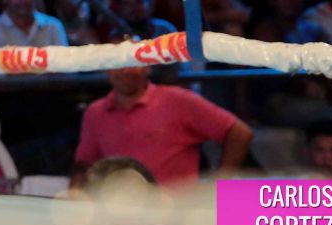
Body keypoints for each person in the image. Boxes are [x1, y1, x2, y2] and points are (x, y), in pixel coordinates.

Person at [72, 50, 252, 186]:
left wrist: (220, 184)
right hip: (119, 217)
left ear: (147, 66)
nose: (125, 70)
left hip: (177, 214)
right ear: (107, 70)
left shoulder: (178, 99)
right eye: (117, 63)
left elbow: (239, 132)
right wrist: (76, 197)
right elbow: (84, 164)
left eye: (133, 62)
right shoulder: (95, 112)